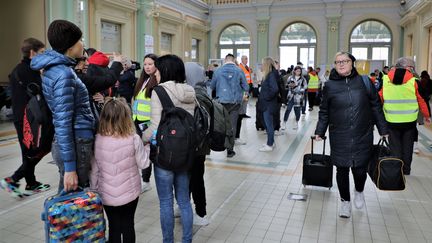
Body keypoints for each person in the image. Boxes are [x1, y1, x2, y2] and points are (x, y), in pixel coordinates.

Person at [314, 51, 389, 218]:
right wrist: (320, 130)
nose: (341, 64)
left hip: (363, 133)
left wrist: (383, 130)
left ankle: (359, 191)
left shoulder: (364, 82)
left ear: (352, 63)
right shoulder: (330, 86)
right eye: (337, 62)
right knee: (341, 170)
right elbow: (324, 111)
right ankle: (345, 202)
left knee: (360, 169)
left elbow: (376, 106)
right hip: (339, 134)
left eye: (345, 61)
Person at [31, 20, 95, 192]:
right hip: (77, 139)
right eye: (80, 40)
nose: (82, 44)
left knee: (70, 200)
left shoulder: (56, 68)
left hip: (75, 138)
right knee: (75, 201)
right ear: (71, 46)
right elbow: (63, 120)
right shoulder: (64, 74)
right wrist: (70, 168)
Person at [142, 55, 195, 243]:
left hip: (165, 154)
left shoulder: (159, 91)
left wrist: (142, 138)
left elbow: (156, 126)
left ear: (164, 71)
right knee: (184, 202)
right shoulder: (190, 91)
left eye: (157, 69)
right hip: (186, 154)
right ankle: (187, 240)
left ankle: (168, 241)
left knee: (166, 203)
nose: (154, 72)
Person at [90, 97, 149, 243]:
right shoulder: (133, 139)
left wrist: (93, 189)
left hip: (106, 194)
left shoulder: (97, 140)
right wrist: (146, 147)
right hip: (130, 193)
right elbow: (144, 164)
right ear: (126, 117)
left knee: (114, 227)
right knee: (128, 225)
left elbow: (94, 170)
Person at [0, 38, 51, 198]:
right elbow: (40, 94)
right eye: (41, 53)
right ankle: (13, 179)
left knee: (28, 151)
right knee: (40, 149)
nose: (43, 56)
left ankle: (31, 183)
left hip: (23, 118)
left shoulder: (21, 69)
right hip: (28, 120)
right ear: (32, 53)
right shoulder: (27, 71)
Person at [378, 58, 431, 175]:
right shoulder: (414, 81)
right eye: (412, 67)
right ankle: (406, 170)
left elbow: (379, 99)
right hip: (409, 122)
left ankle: (397, 169)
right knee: (407, 146)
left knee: (395, 146)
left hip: (391, 121)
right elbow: (422, 100)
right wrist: (427, 115)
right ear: (408, 68)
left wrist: (378, 116)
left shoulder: (385, 80)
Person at [185, 62, 211, 226]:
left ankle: (201, 213)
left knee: (194, 180)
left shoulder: (194, 94)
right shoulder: (204, 91)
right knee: (193, 179)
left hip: (194, 146)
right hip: (201, 146)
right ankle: (188, 209)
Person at [211, 54, 249, 157]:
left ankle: (218, 144)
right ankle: (230, 149)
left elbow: (212, 86)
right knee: (232, 126)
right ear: (234, 60)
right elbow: (246, 86)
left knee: (220, 125)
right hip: (235, 103)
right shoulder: (239, 70)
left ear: (225, 60)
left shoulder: (218, 71)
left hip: (221, 103)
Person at [132, 53, 158, 193]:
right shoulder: (143, 80)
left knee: (152, 152)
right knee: (142, 151)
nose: (147, 67)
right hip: (138, 121)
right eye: (145, 64)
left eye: (150, 64)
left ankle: (148, 180)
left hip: (149, 123)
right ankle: (145, 180)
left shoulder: (157, 81)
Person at [257, 57, 280, 152]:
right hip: (270, 104)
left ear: (266, 64)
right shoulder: (271, 74)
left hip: (268, 104)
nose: (261, 65)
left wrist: (266, 97)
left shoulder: (270, 75)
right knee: (269, 124)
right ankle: (271, 142)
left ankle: (269, 145)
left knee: (269, 125)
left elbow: (274, 89)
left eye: (262, 64)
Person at [282, 66, 308, 130]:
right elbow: (286, 86)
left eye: (299, 71)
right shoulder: (290, 78)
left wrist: (298, 89)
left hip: (299, 97)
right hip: (291, 96)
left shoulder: (303, 79)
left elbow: (305, 87)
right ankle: (284, 122)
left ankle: (296, 122)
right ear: (294, 71)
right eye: (297, 71)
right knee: (288, 109)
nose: (298, 72)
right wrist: (289, 85)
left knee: (297, 111)